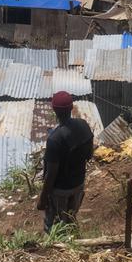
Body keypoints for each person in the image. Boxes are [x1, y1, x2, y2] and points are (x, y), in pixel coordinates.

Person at [37, 91, 94, 233]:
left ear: (54, 110)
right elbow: (89, 155)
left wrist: (42, 200)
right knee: (70, 217)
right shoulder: (83, 125)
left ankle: (57, 250)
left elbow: (51, 174)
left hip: (60, 191)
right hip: (78, 184)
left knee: (54, 226)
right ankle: (74, 241)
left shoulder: (55, 139)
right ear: (71, 108)